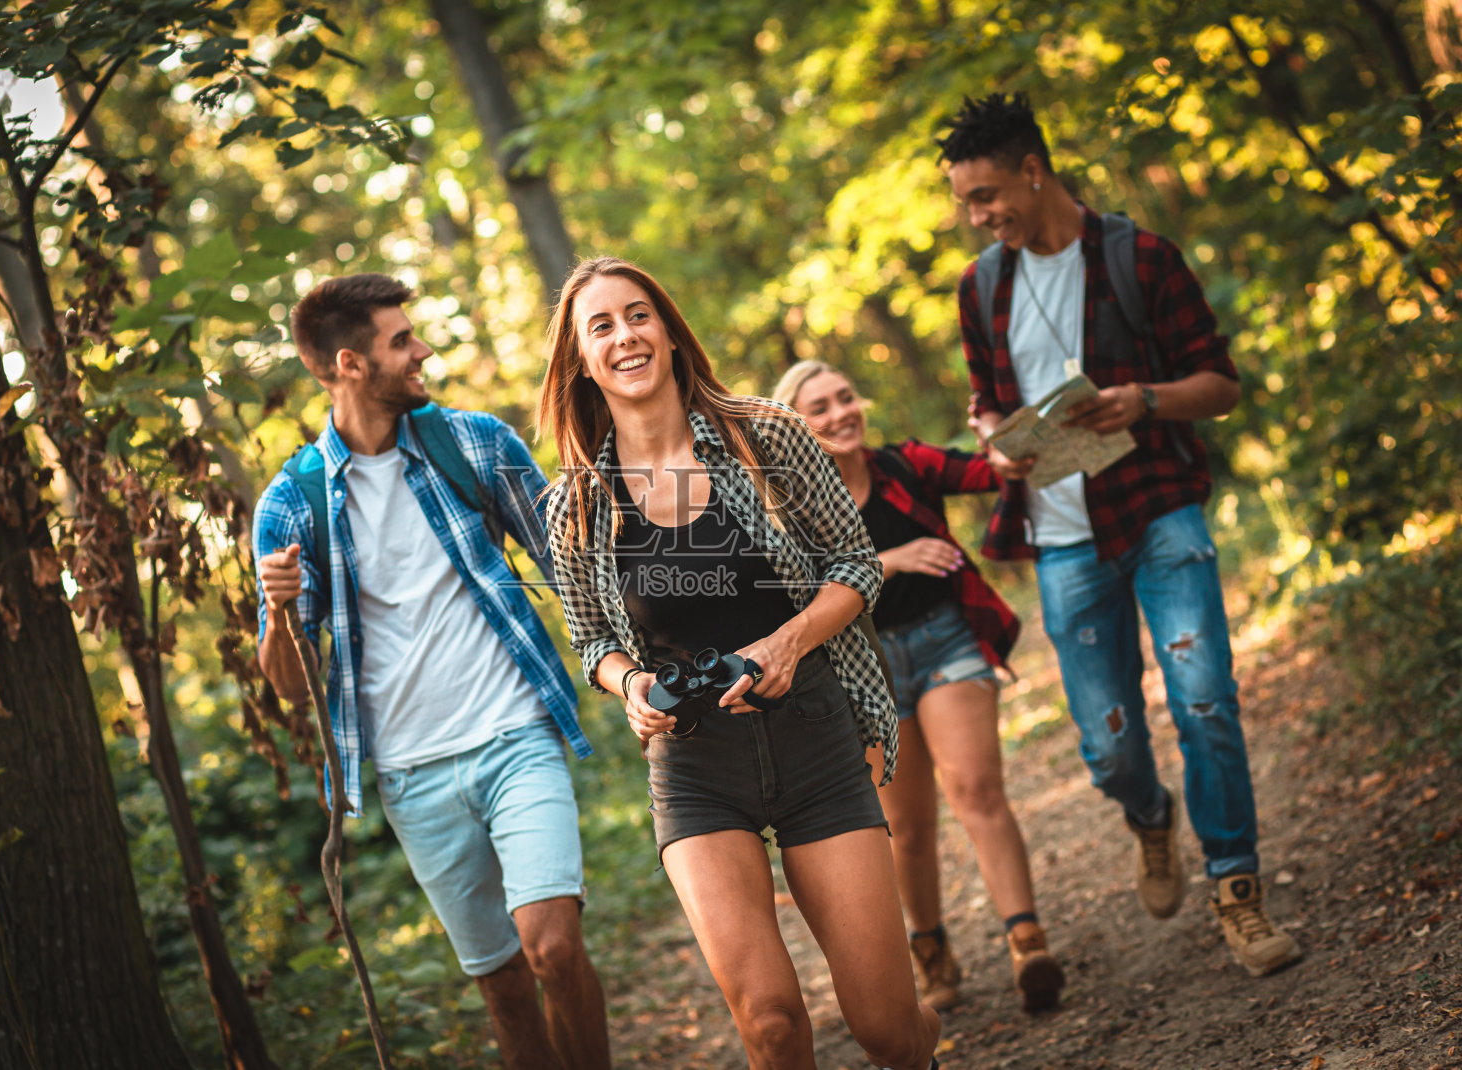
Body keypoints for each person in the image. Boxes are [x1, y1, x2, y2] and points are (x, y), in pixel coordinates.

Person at [539, 257, 939, 1070]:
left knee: (888, 1030)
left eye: (639, 314)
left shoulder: (768, 435)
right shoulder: (574, 502)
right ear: (581, 360)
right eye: (602, 326)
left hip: (816, 739)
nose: (626, 337)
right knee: (770, 1021)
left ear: (670, 329)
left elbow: (855, 565)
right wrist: (632, 686)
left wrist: (789, 641)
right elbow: (591, 641)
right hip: (694, 768)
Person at [941, 92, 1303, 977]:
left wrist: (1145, 400)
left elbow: (1220, 384)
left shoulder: (1140, 257)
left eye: (987, 197)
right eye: (966, 205)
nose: (979, 218)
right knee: (1106, 745)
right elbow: (987, 400)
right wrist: (996, 441)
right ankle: (1149, 817)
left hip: (1158, 509)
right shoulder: (983, 285)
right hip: (1062, 540)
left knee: (1206, 700)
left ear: (1035, 171)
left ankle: (1237, 887)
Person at [252, 273, 611, 1069]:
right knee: (505, 986)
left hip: (516, 733)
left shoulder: (474, 441)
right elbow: (286, 681)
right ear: (350, 364)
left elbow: (573, 564)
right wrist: (279, 612)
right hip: (412, 776)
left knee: (551, 948)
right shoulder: (293, 503)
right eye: (402, 342)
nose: (423, 351)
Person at [775, 360, 1064, 1013]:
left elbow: (990, 470)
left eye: (845, 397)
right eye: (819, 407)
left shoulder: (904, 465)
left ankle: (1028, 941)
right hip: (864, 671)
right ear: (796, 425)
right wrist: (889, 560)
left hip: (945, 641)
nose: (840, 413)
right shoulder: (787, 508)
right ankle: (930, 947)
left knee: (974, 788)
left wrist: (1003, 443)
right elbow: (791, 593)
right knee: (906, 826)